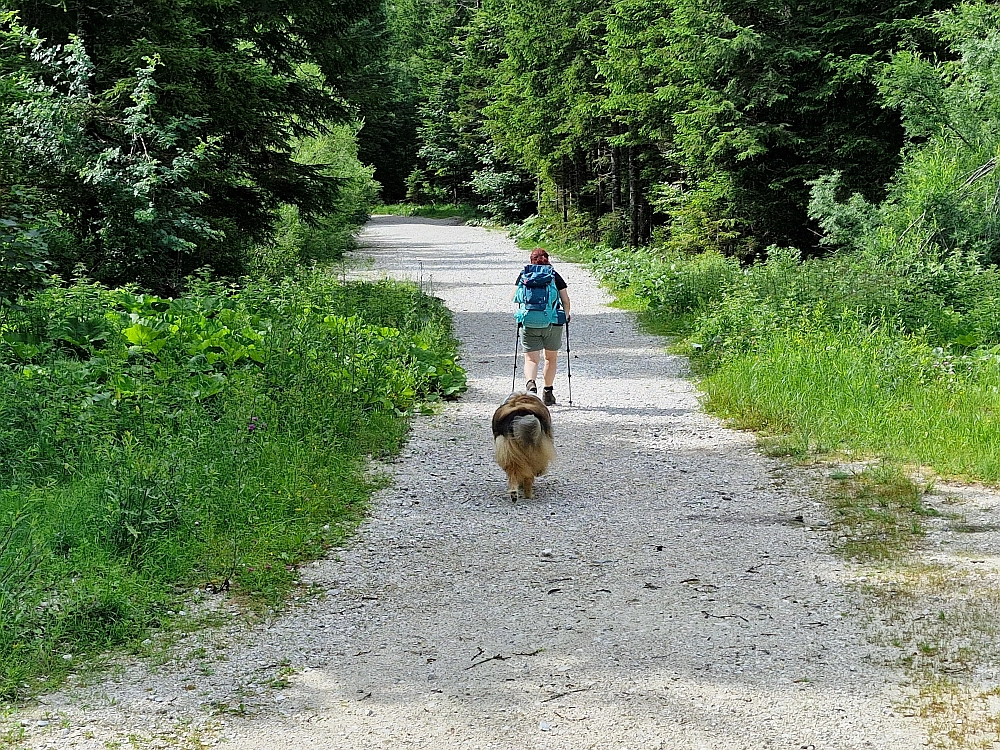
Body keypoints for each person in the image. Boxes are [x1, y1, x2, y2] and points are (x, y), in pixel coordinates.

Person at [512, 248, 571, 406]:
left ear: (531, 260)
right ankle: (548, 392)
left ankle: (531, 385)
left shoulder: (525, 275)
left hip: (528, 322)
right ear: (547, 260)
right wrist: (566, 316)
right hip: (552, 323)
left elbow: (515, 298)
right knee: (550, 359)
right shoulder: (554, 275)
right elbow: (565, 300)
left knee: (531, 359)